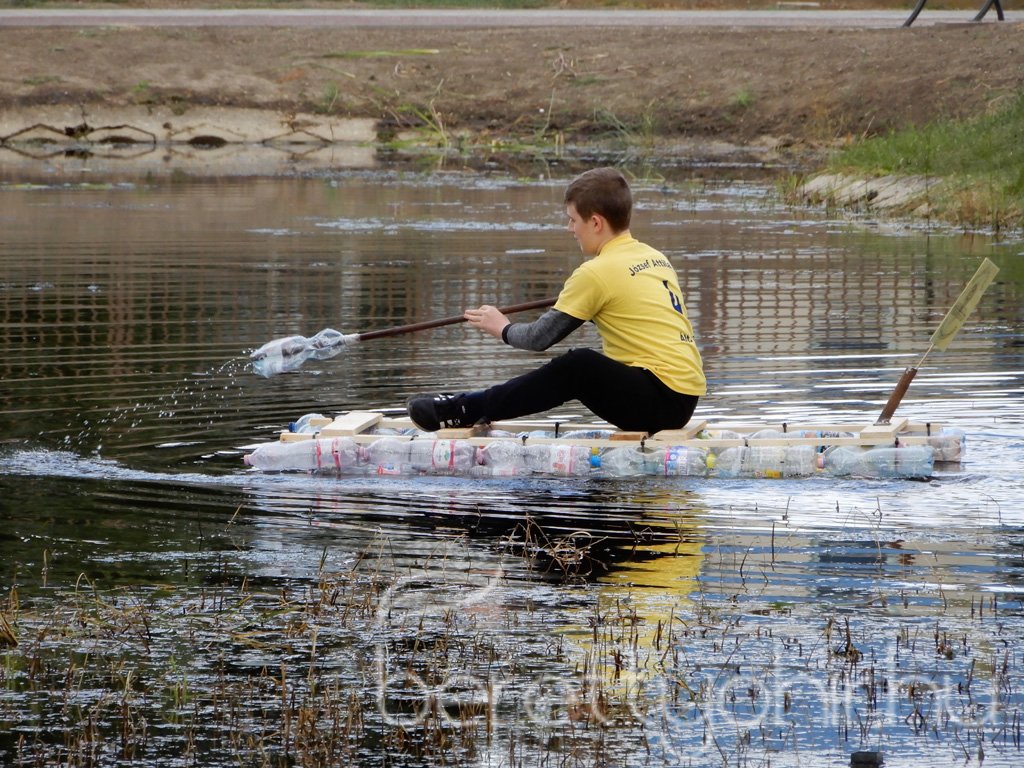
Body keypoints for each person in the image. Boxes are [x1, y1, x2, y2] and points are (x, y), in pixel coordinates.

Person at [407, 167, 706, 435]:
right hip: (684, 397)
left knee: (578, 366)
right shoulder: (654, 258)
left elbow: (539, 338)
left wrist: (502, 328)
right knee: (582, 366)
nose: (570, 229)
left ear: (596, 222)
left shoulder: (596, 273)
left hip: (659, 401)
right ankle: (468, 406)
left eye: (572, 220)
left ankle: (463, 410)